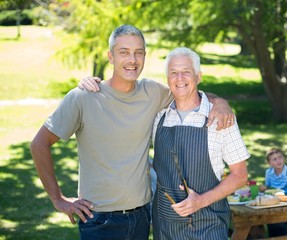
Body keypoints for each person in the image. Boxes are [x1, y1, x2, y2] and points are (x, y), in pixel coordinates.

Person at [30, 25, 233, 240]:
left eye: (138, 52)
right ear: (111, 56)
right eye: (124, 52)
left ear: (145, 56)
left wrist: (219, 102)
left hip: (141, 216)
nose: (132, 60)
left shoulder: (152, 92)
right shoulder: (83, 97)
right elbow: (39, 144)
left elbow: (189, 92)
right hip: (98, 219)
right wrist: (58, 199)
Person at [151, 47, 250, 240]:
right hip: (165, 228)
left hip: (208, 226)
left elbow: (240, 176)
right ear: (167, 79)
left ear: (198, 77)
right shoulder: (158, 117)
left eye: (186, 72)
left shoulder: (221, 118)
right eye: (173, 73)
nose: (179, 78)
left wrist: (201, 201)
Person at [259, 148, 287, 237]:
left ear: (284, 159)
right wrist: (263, 187)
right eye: (274, 159)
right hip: (275, 201)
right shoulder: (269, 172)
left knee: (277, 219)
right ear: (269, 163)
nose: (278, 161)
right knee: (267, 217)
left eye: (280, 157)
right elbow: (268, 186)